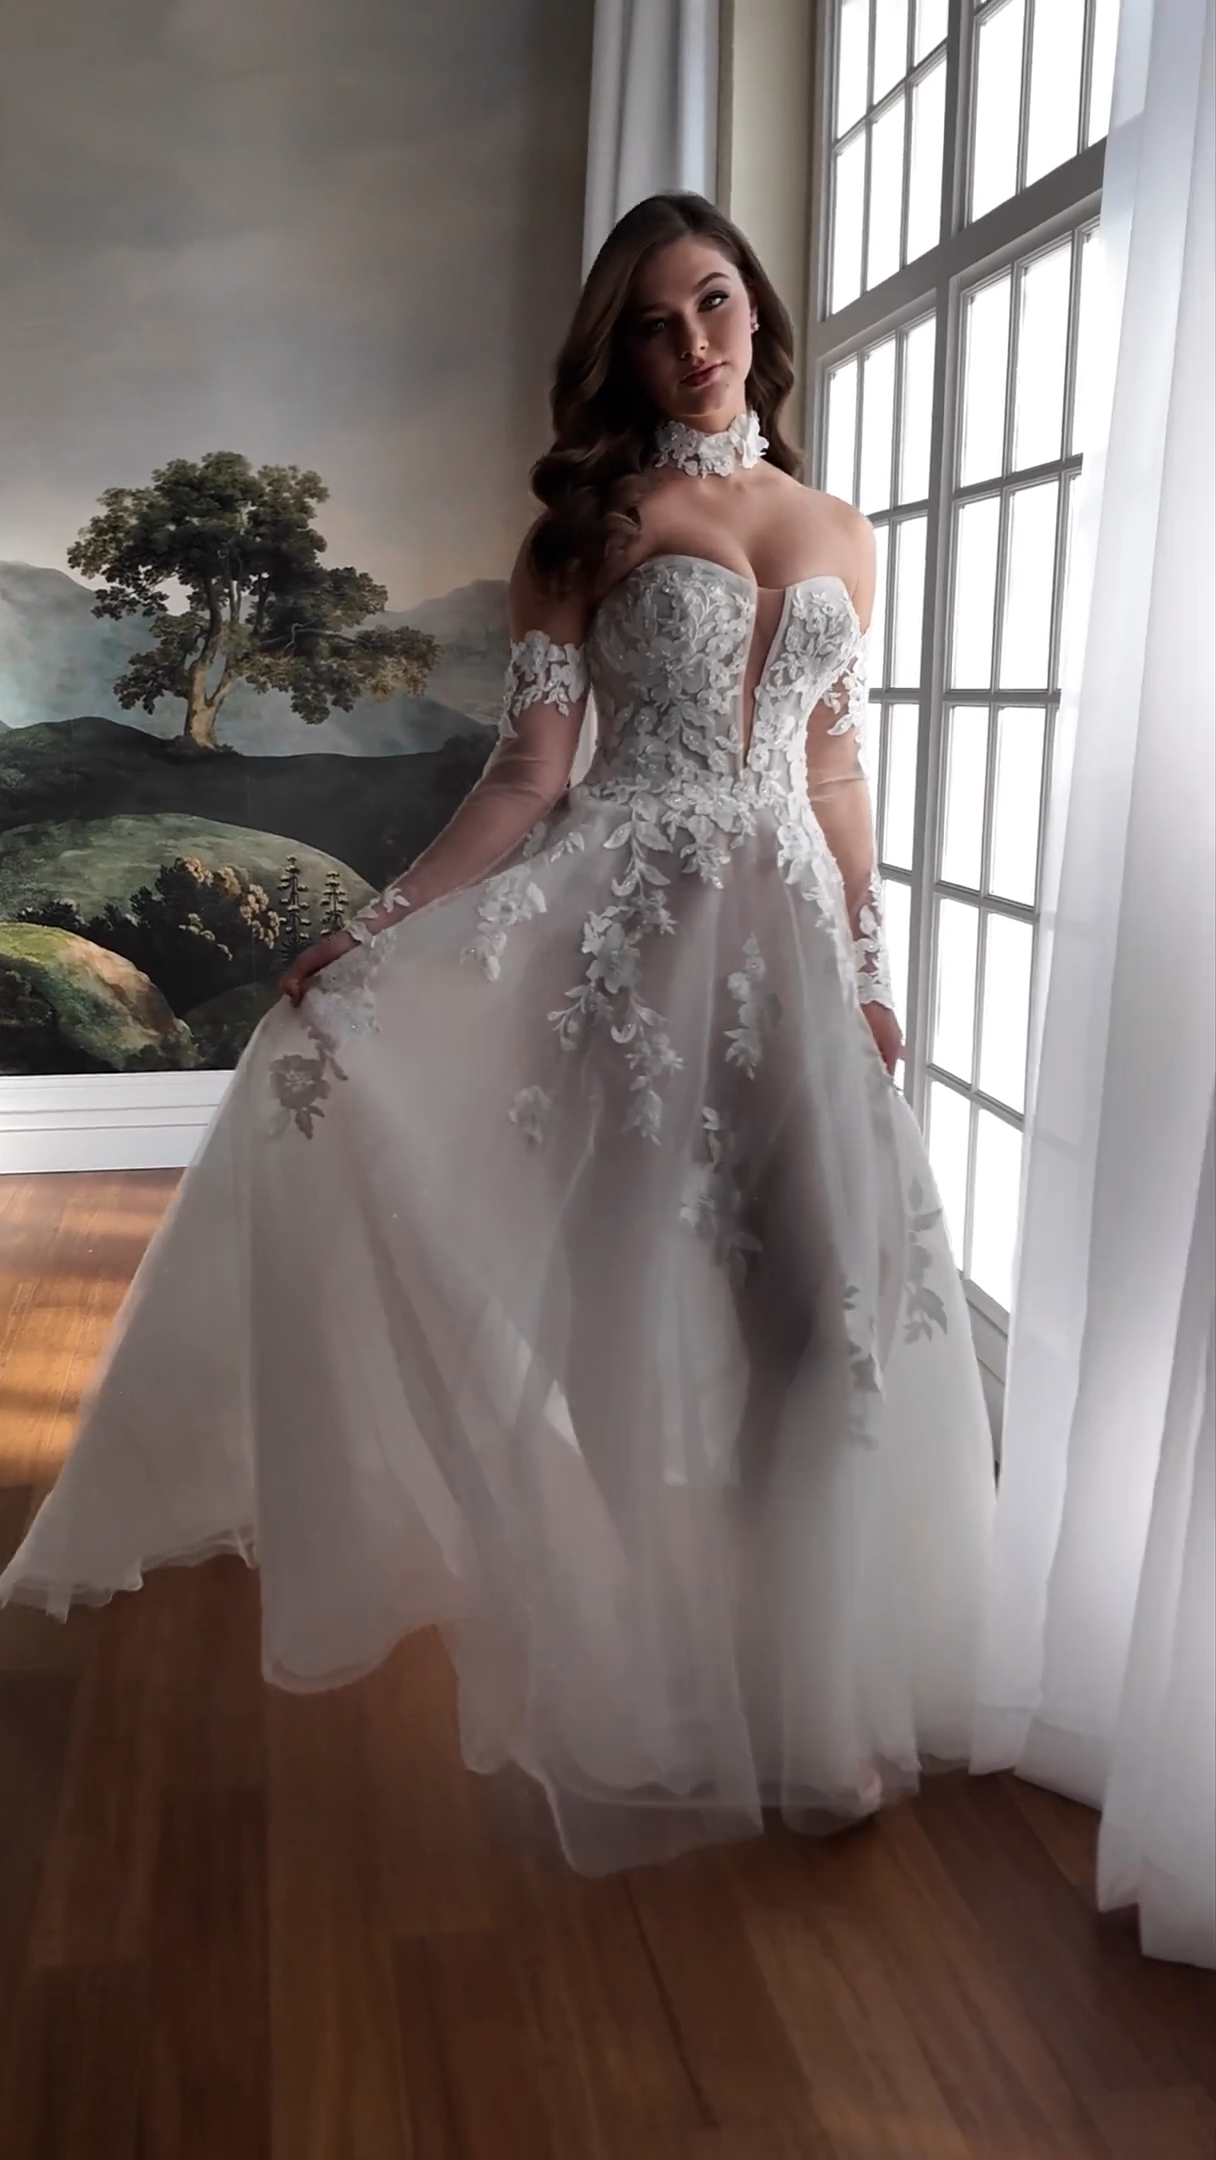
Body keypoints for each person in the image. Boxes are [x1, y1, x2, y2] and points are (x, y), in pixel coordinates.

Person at [0, 193, 995, 1875]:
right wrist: (378, 922)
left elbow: (832, 771)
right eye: (657, 323)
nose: (694, 344)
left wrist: (875, 963)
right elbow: (529, 777)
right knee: (630, 1320)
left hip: (798, 964)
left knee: (831, 1324)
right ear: (620, 351)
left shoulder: (839, 526)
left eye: (715, 303)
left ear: (759, 310)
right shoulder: (589, 529)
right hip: (630, 951)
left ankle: (803, 1685)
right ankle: (657, 1676)